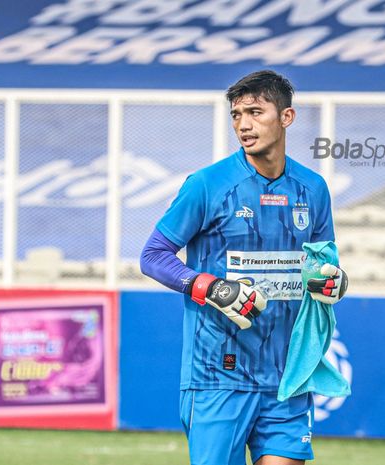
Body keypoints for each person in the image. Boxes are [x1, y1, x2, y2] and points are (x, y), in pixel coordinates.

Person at [140, 70, 348, 465]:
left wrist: (334, 282)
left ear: (287, 117)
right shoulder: (207, 184)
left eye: (255, 111)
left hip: (286, 376)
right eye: (236, 115)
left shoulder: (313, 189)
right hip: (218, 374)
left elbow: (324, 267)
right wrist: (210, 287)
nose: (244, 124)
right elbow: (153, 255)